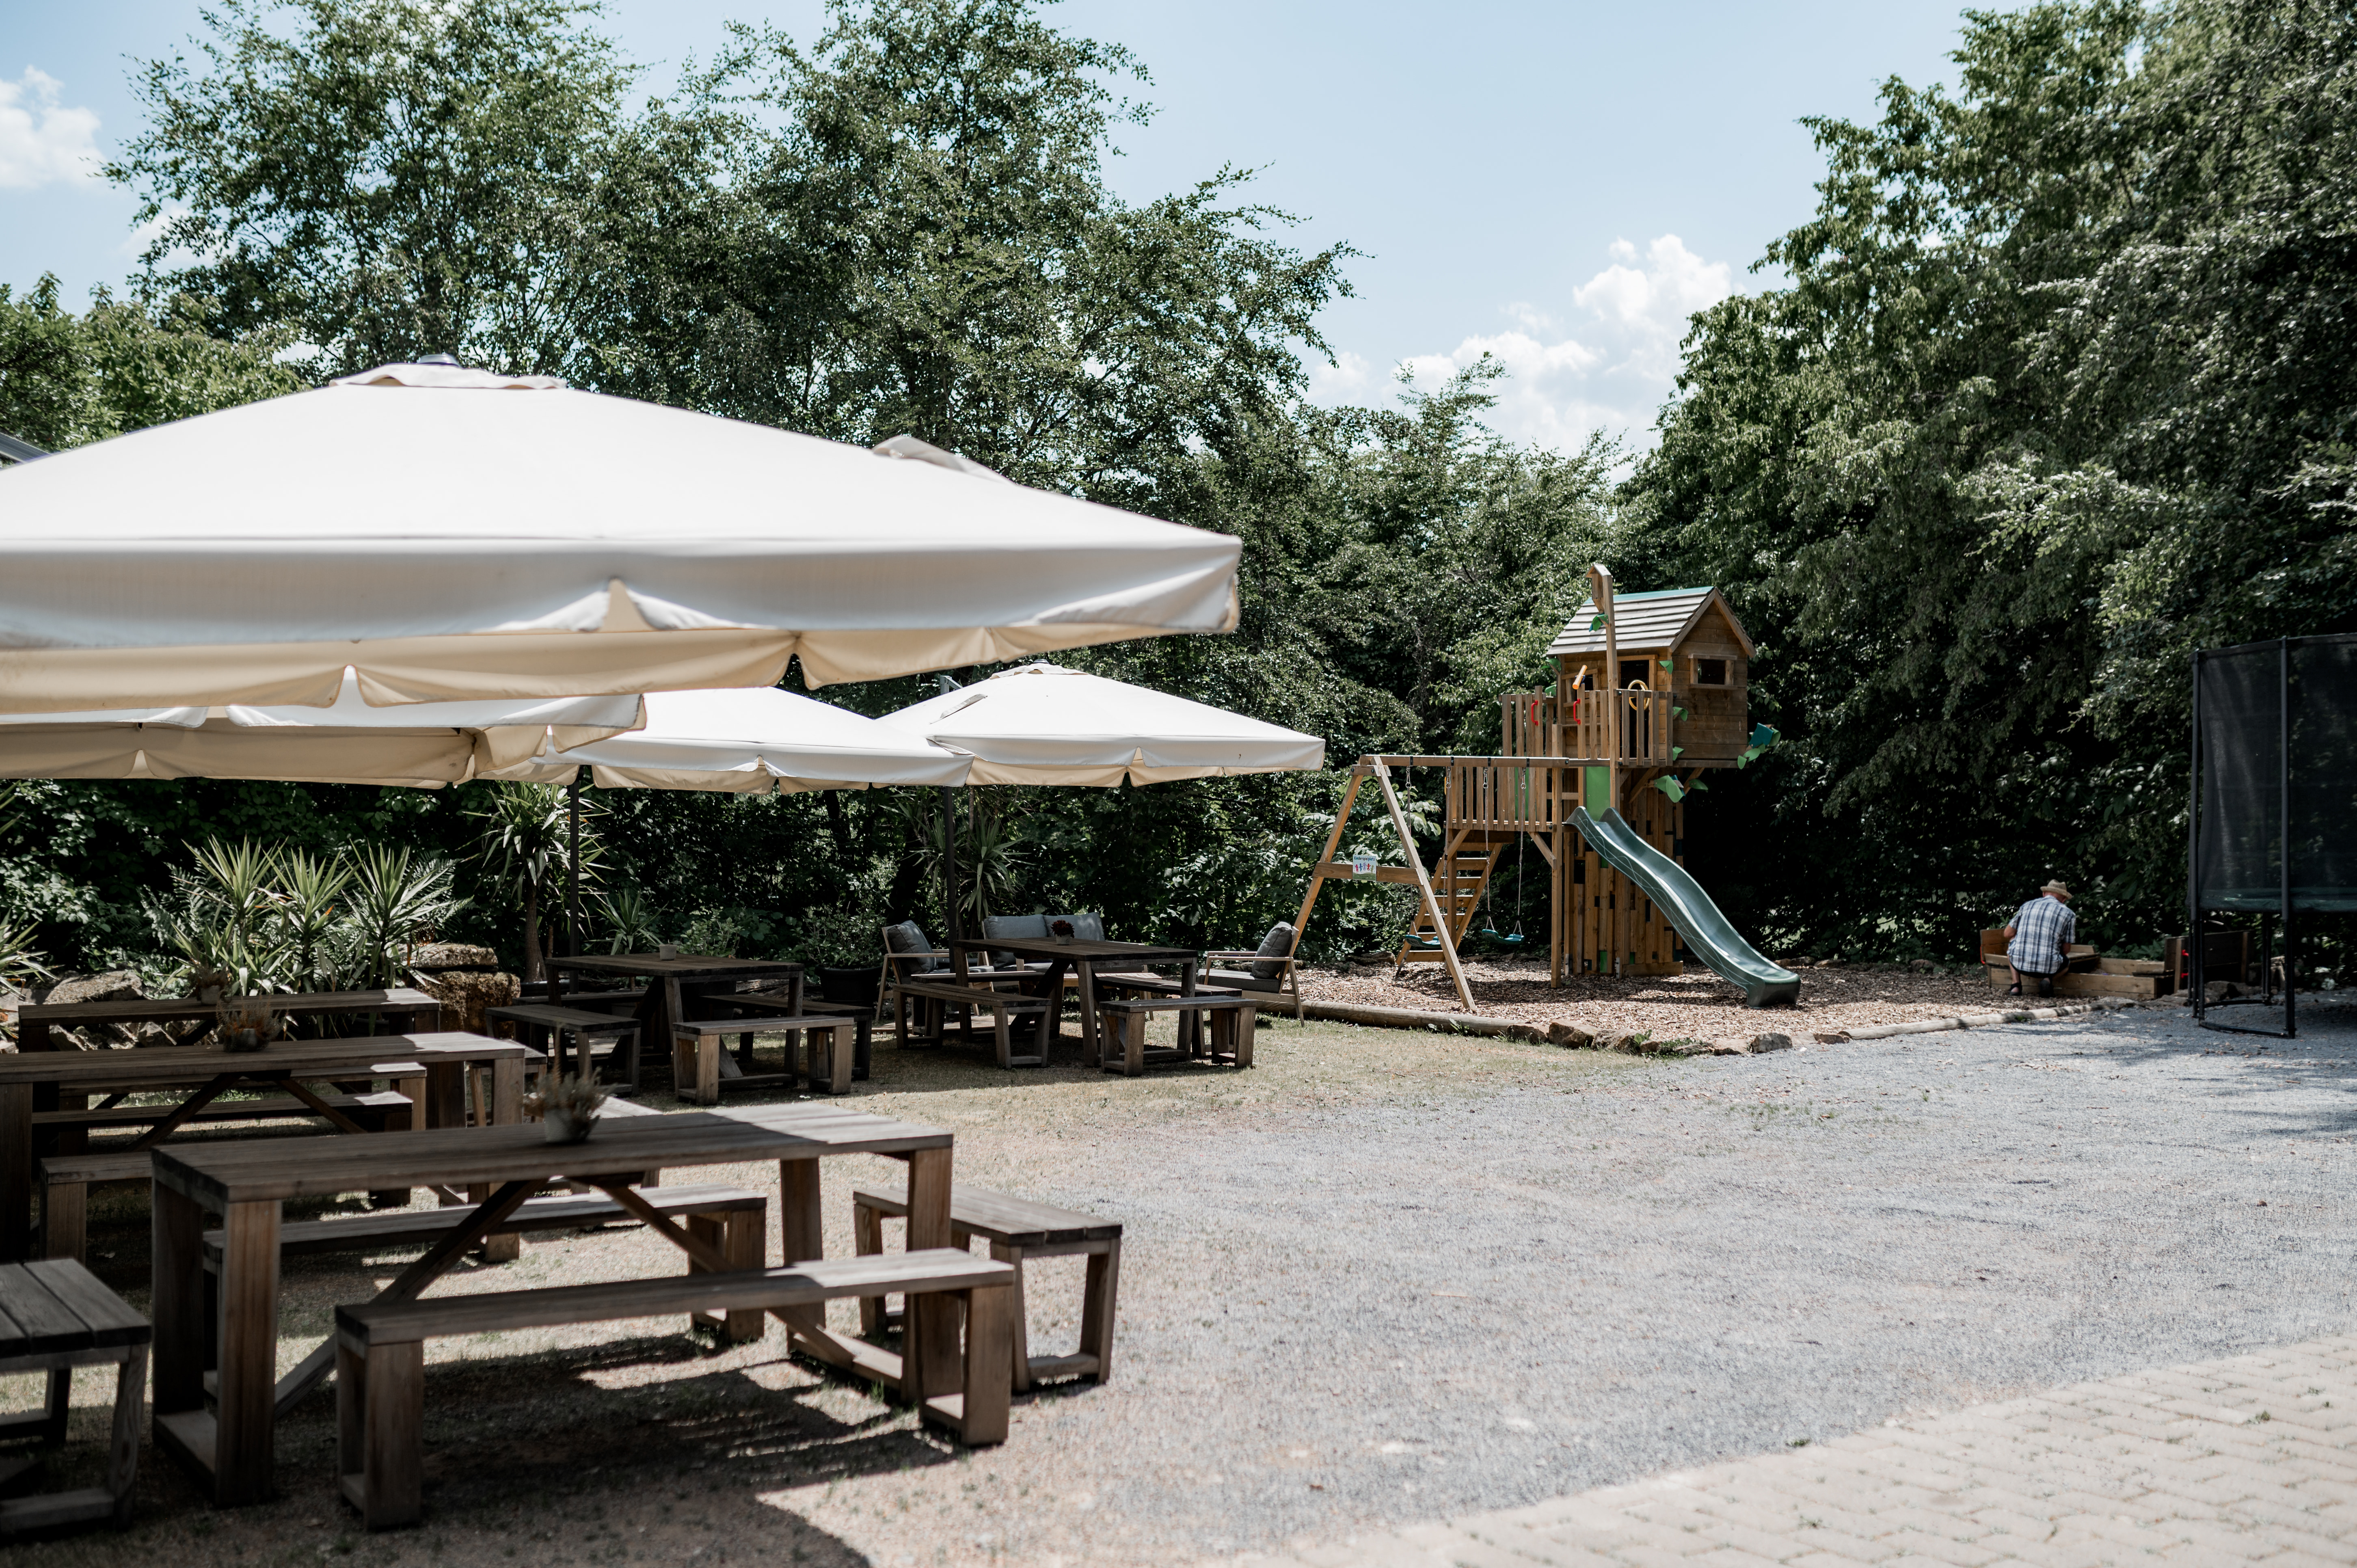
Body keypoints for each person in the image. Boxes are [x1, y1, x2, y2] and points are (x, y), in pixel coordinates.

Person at [2004, 880, 2077, 997]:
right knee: (2066, 964)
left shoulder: (2027, 905)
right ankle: (2047, 980)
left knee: (2013, 939)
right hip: (2050, 967)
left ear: (2044, 894)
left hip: (2019, 965)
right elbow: (2066, 950)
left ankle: (2016, 985)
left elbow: (2008, 934)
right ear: (2064, 900)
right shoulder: (2069, 914)